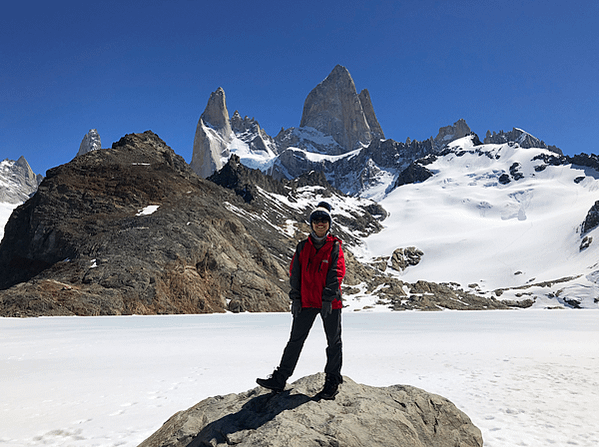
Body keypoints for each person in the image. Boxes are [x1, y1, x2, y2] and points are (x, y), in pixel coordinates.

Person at [257, 201, 346, 400]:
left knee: (334, 341)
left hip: (330, 303)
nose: (320, 223)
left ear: (329, 224)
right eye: (316, 220)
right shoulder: (302, 247)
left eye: (324, 220)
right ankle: (280, 378)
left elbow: (337, 272)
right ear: (311, 223)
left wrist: (327, 297)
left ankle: (332, 380)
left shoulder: (335, 246)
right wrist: (296, 298)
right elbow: (294, 273)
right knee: (295, 340)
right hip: (306, 301)